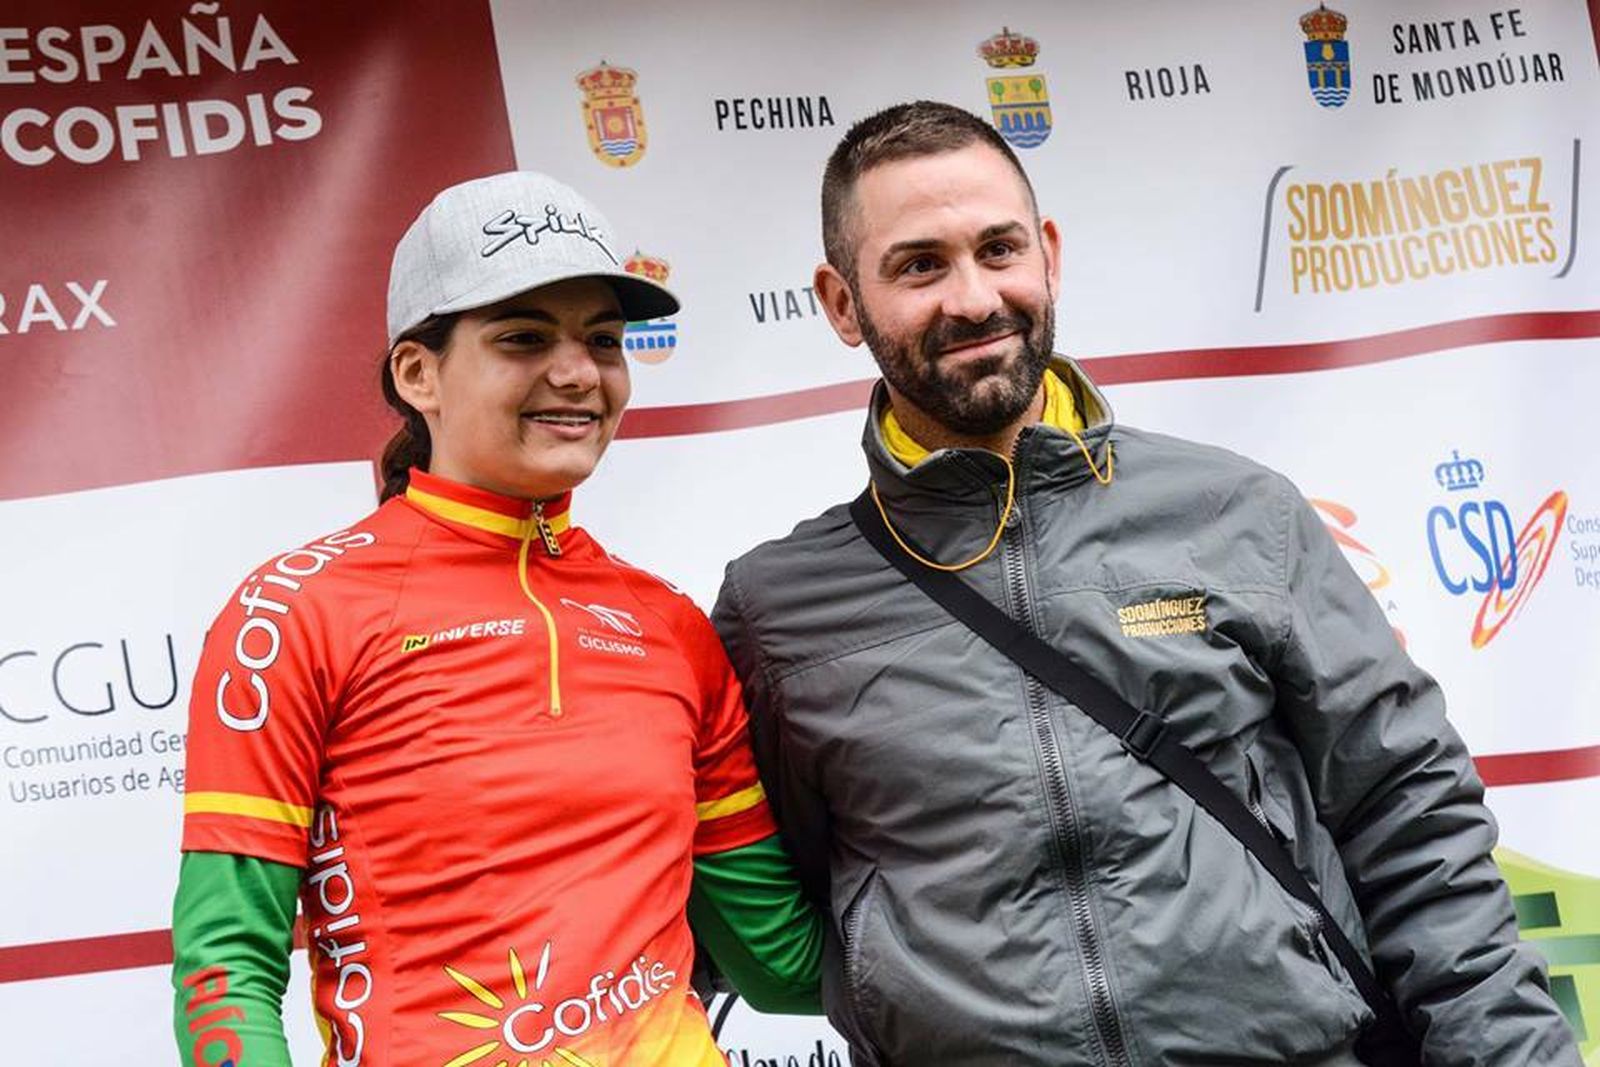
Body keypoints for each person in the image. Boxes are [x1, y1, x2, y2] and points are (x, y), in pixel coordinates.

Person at [711, 101, 1581, 1066]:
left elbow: (1407, 809)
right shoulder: (777, 608)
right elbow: (755, 912)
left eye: (999, 249)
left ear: (1047, 253)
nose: (973, 298)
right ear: (841, 303)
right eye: (920, 265)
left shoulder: (1237, 510)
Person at [171, 170, 822, 1067]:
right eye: (523, 338)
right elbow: (225, 975)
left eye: (603, 338)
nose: (577, 372)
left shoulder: (671, 628)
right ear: (417, 372)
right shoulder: (293, 613)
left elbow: (780, 963)